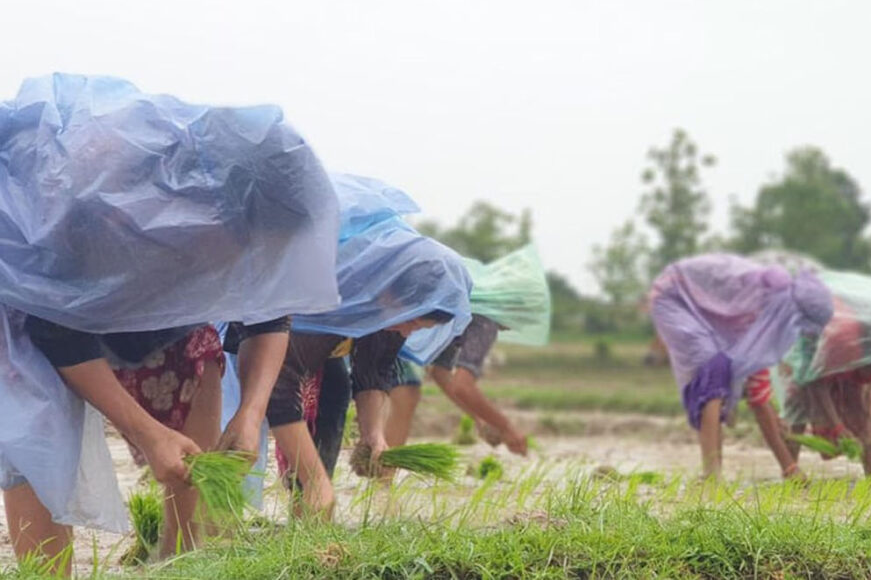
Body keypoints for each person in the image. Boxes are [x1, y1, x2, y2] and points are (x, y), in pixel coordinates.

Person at [0, 74, 341, 570]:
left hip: (133, 306)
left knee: (198, 354)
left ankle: (180, 558)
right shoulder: (97, 200)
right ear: (210, 213)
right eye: (244, 243)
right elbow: (58, 332)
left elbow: (268, 312)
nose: (247, 259)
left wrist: (248, 413)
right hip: (26, 297)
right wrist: (144, 431)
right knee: (35, 419)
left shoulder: (236, 229)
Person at [226, 173, 472, 518]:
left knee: (335, 390)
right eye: (413, 320)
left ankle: (308, 518)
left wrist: (373, 436)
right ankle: (224, 525)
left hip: (316, 354)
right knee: (240, 441)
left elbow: (375, 366)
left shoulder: (392, 307)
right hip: (262, 341)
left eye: (420, 326)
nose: (409, 331)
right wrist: (315, 480)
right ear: (390, 290)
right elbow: (279, 384)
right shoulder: (331, 287)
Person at [649, 253, 833, 479]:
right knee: (712, 368)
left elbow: (758, 394)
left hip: (706, 311)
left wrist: (790, 468)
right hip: (674, 296)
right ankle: (712, 476)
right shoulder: (755, 297)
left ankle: (717, 473)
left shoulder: (763, 322)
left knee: (717, 372)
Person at [383, 244, 552, 455]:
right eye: (525, 317)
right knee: (406, 394)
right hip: (400, 330)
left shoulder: (469, 312)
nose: (521, 326)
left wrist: (479, 418)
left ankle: (381, 478)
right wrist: (507, 427)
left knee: (404, 394)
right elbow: (463, 386)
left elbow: (441, 373)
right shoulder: (485, 323)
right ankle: (383, 480)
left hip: (399, 330)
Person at [776, 270, 871, 478]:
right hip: (809, 351)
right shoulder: (844, 341)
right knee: (796, 409)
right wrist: (836, 426)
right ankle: (791, 474)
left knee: (868, 424)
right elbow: (814, 384)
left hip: (849, 366)